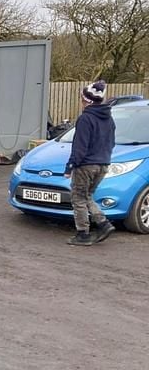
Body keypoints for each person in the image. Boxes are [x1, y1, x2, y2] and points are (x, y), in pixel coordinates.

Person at [64, 80, 116, 246]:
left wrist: (70, 166)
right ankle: (103, 223)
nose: (80, 102)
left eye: (81, 99)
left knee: (78, 197)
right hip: (103, 164)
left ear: (87, 101)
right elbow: (111, 143)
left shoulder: (85, 119)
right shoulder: (109, 119)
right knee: (87, 196)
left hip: (86, 165)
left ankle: (82, 233)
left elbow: (80, 147)